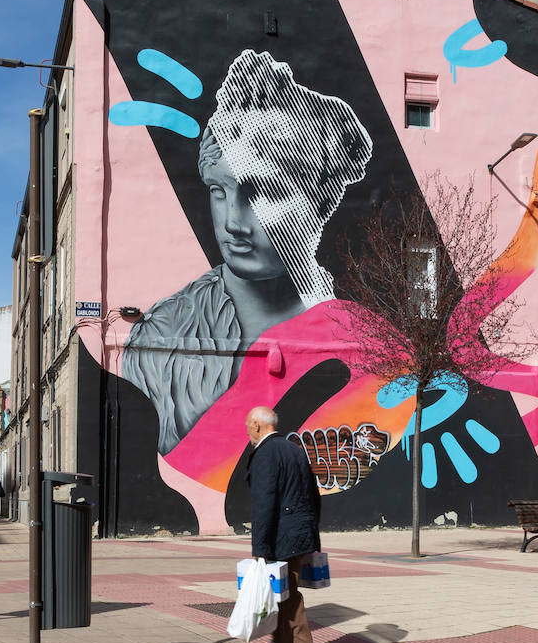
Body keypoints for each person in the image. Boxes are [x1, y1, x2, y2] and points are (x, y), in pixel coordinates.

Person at [123, 49, 372, 453]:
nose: (233, 222)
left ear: (322, 200)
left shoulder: (362, 336)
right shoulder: (164, 334)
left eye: (264, 191)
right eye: (220, 191)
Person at [243, 404, 321, 643]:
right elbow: (314, 497)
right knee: (282, 592)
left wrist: (260, 548)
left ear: (256, 425)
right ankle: (282, 641)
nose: (248, 433)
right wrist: (313, 537)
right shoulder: (295, 450)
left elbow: (264, 504)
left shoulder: (264, 453)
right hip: (300, 533)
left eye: (248, 427)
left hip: (282, 536)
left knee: (288, 595)